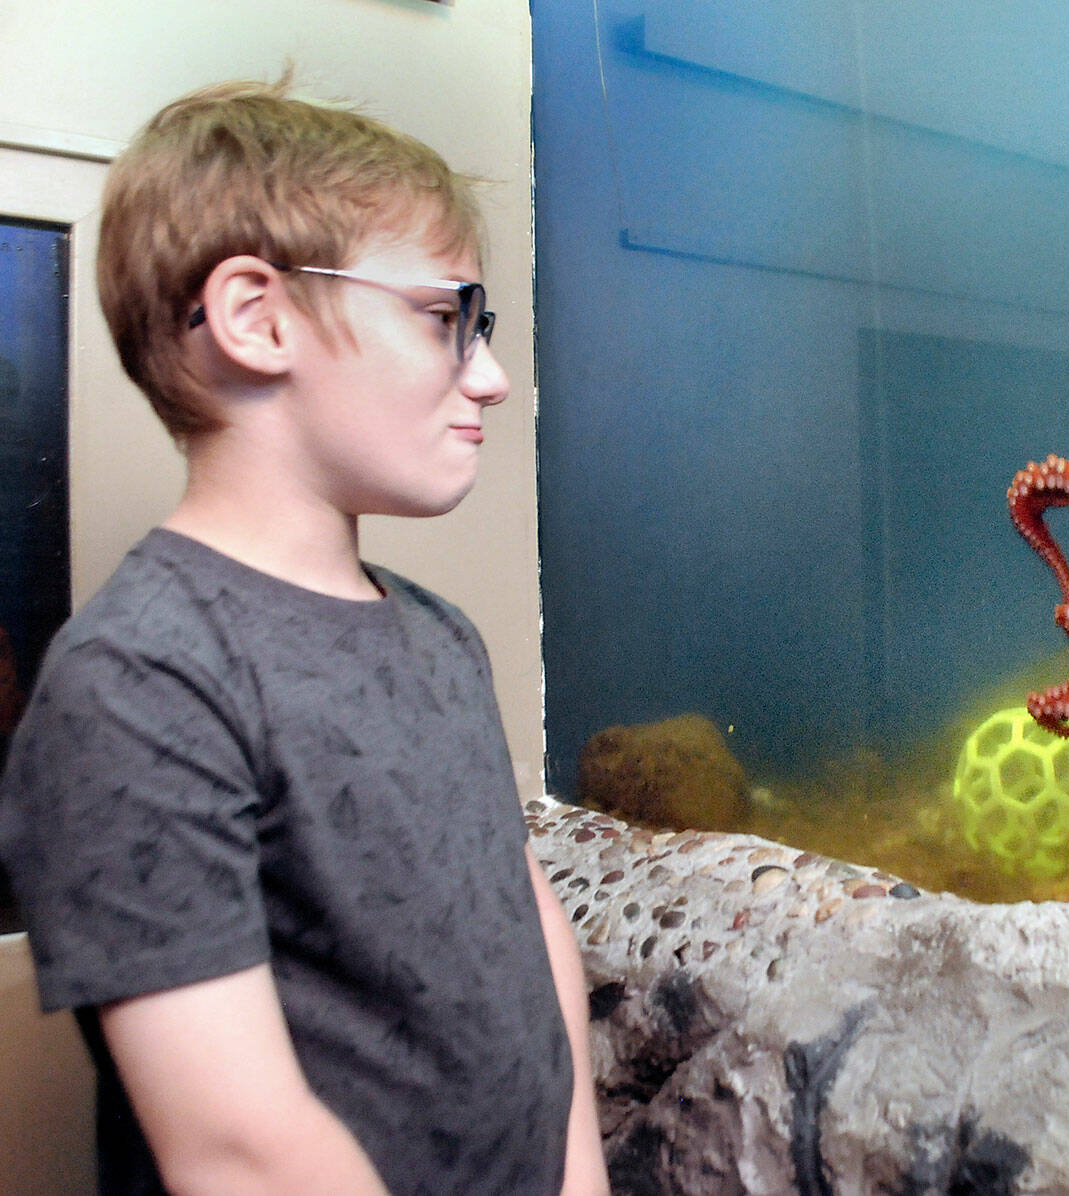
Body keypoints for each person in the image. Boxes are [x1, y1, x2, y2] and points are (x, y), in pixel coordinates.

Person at [0, 77, 608, 1195]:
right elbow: (242, 1149)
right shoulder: (142, 680)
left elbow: (528, 923)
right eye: (445, 318)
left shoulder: (440, 636)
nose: (494, 375)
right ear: (259, 317)